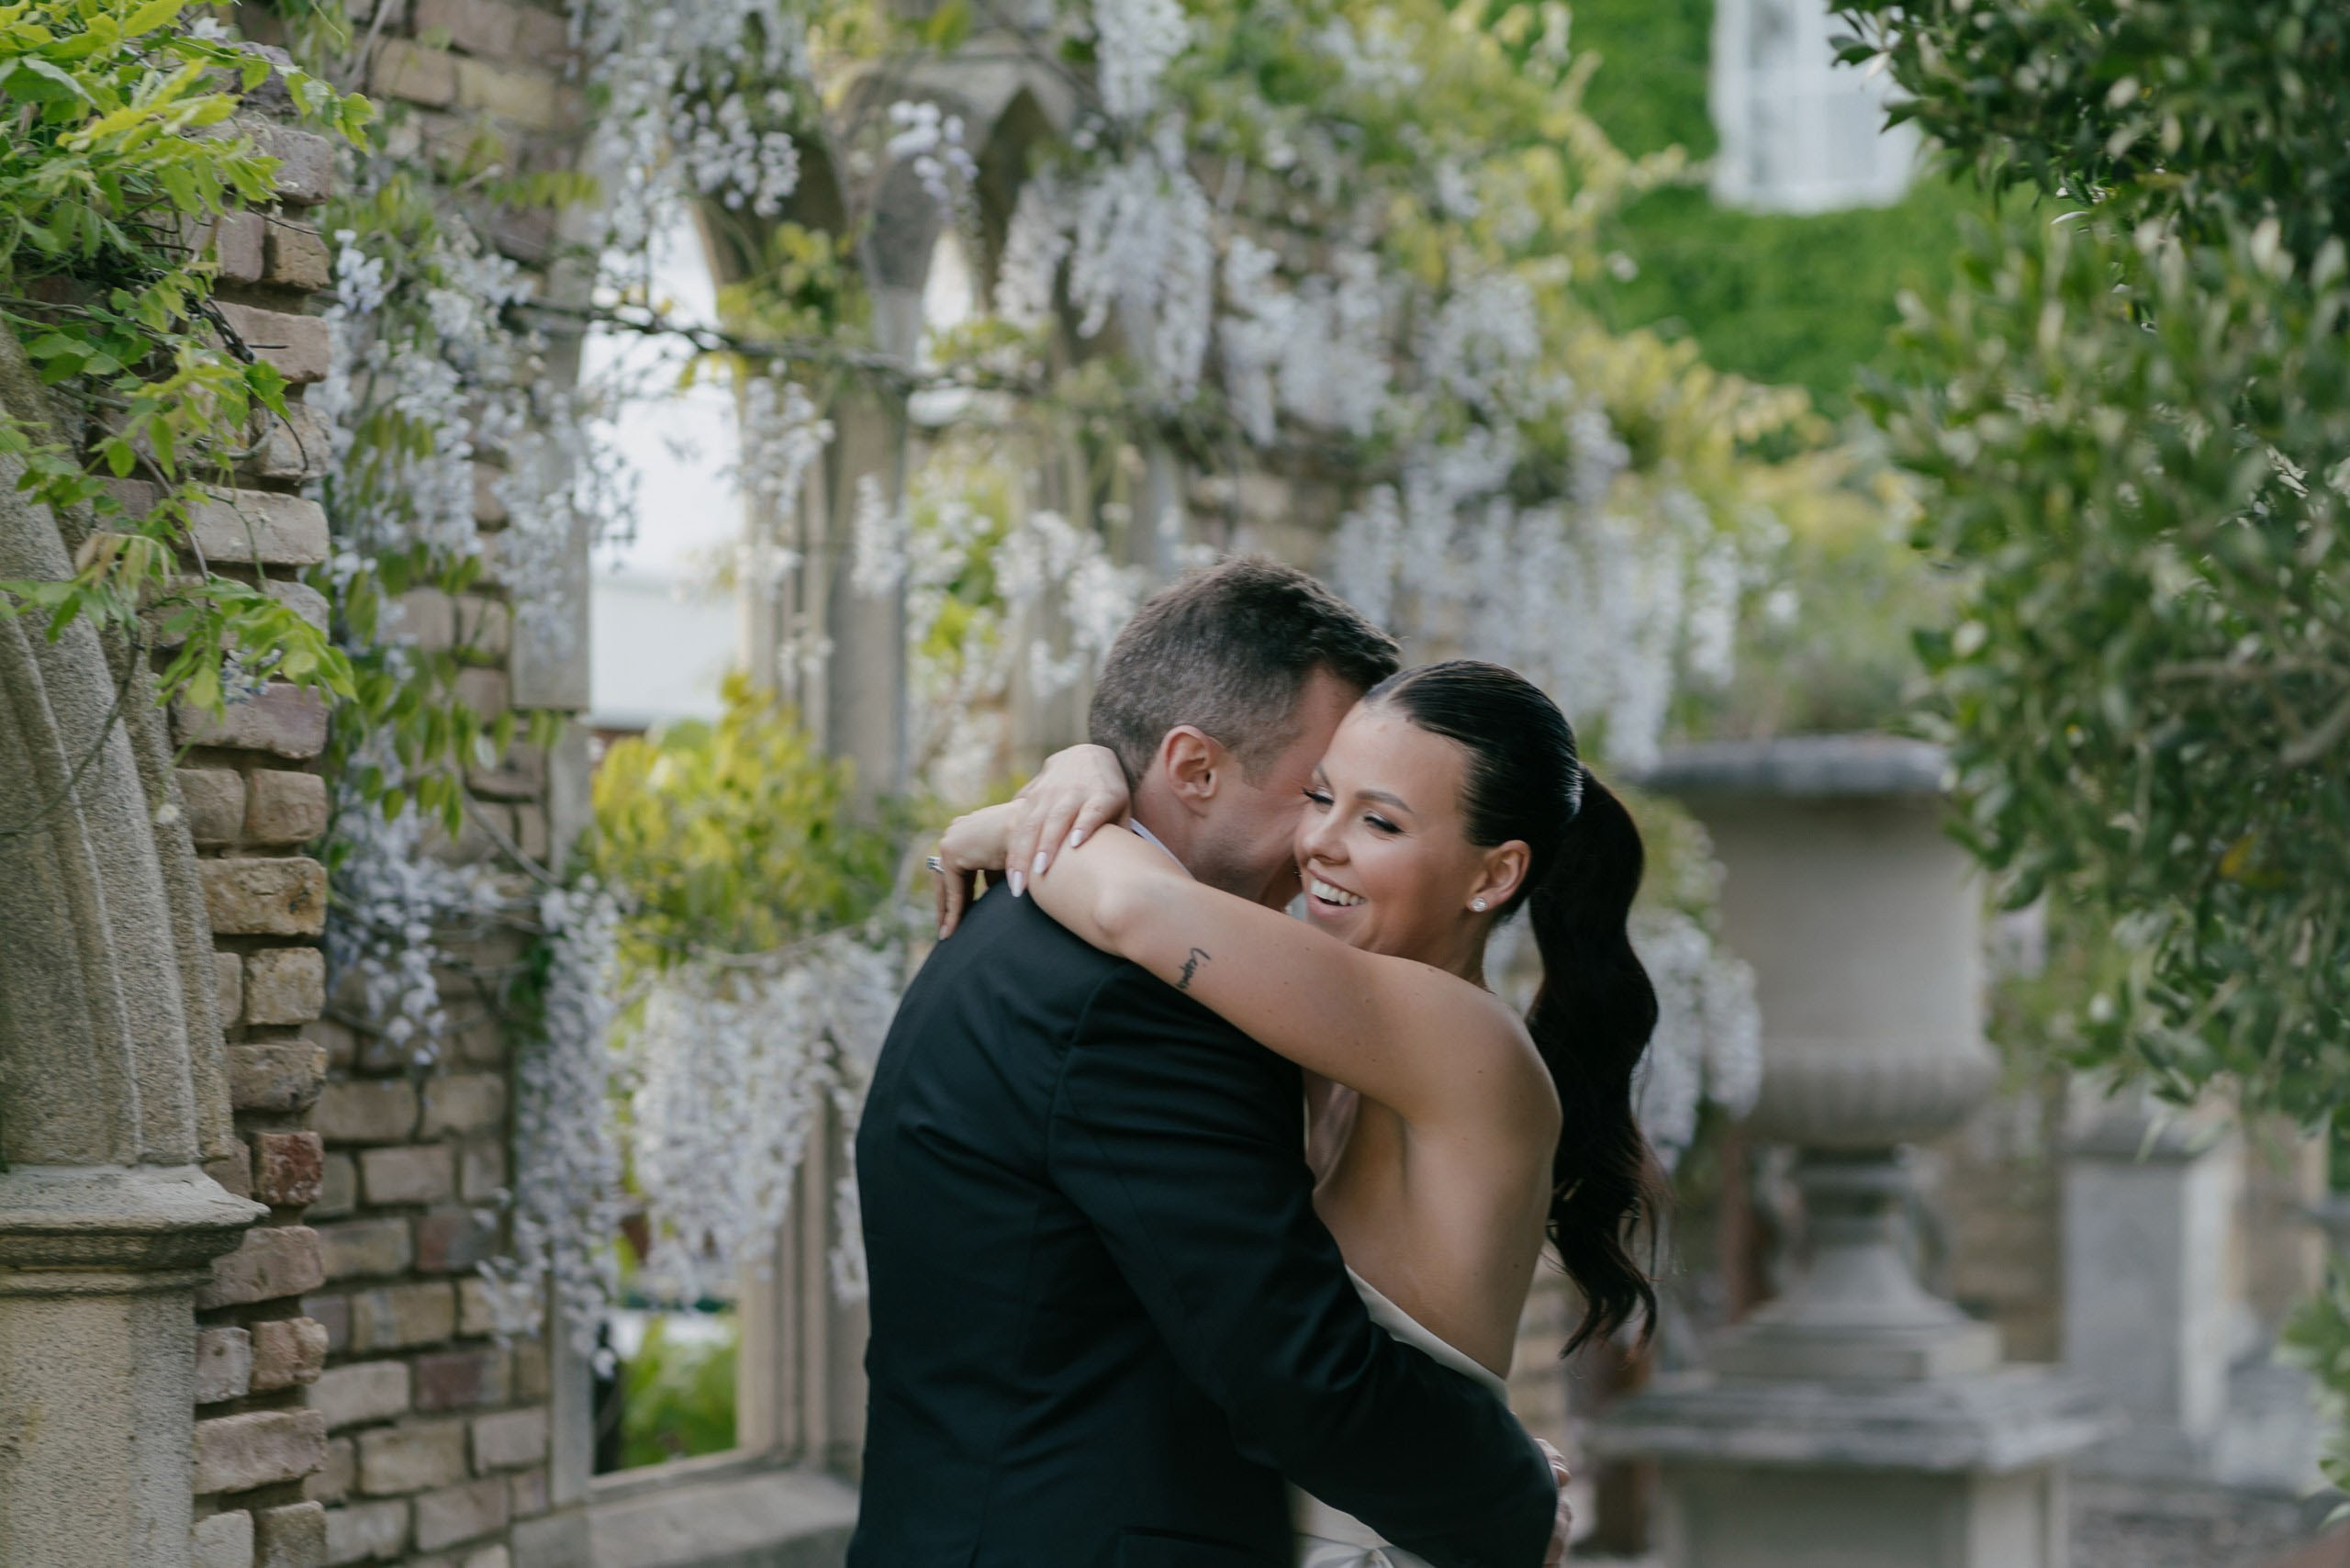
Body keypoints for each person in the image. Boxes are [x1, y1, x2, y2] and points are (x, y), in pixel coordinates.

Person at [851, 560, 1572, 1568]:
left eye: (1374, 814)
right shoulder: (1138, 1001)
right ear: (1194, 770)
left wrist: (1034, 809)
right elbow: (1293, 1365)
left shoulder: (1046, 930)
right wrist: (1509, 1495)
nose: (1321, 842)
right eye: (1316, 791)